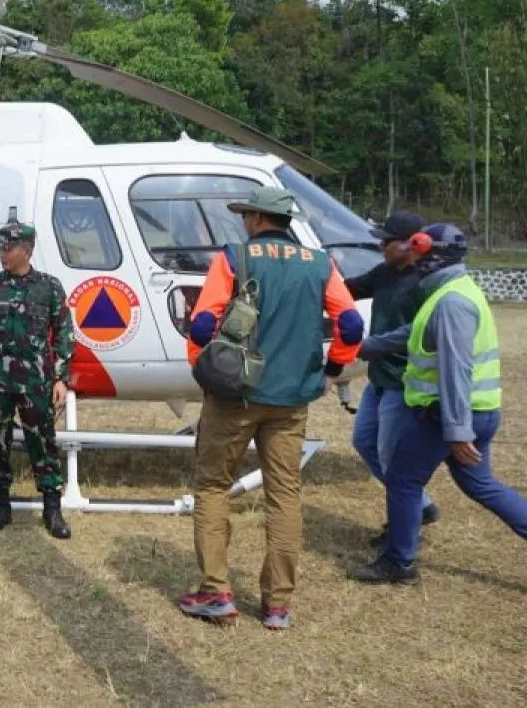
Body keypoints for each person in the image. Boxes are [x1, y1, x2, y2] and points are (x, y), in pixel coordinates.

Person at [181, 186, 364, 630]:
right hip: (291, 401)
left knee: (212, 488)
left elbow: (203, 324)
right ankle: (278, 605)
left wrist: (200, 366)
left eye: (246, 215)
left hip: (234, 396)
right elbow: (352, 322)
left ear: (259, 219)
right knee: (284, 496)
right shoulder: (321, 264)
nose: (243, 221)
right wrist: (337, 365)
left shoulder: (233, 258)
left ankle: (216, 593)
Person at [349, 223, 527, 585]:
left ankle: (399, 563)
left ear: (435, 255)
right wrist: (363, 347)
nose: (412, 256)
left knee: (402, 481)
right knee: (482, 486)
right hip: (475, 413)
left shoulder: (451, 303)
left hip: (445, 415)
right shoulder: (449, 292)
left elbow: (455, 370)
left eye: (419, 250)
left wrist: (457, 430)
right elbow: (413, 335)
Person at [0, 221, 75, 539]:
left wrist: (61, 379)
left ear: (27, 250)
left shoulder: (49, 287)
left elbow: (63, 333)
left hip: (35, 382)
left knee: (42, 442)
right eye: (1, 248)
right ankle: (0, 505)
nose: (3, 254)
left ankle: (52, 508)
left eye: (9, 249)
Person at [345, 211, 440, 546]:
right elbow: (349, 290)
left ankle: (404, 532)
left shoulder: (426, 280)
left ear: (411, 243)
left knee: (392, 457)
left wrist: (367, 346)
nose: (380, 245)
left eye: (387, 240)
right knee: (364, 442)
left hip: (405, 380)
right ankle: (421, 506)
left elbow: (414, 332)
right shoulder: (384, 272)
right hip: (380, 377)